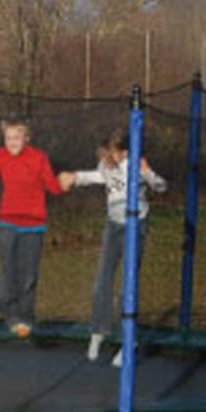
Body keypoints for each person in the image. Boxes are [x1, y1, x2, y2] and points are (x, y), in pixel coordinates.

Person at [70, 128, 168, 365]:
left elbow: (161, 186)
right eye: (110, 152)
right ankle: (98, 332)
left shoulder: (136, 165)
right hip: (113, 226)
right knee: (102, 279)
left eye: (115, 152)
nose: (111, 156)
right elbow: (94, 176)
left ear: (125, 151)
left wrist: (148, 173)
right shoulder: (106, 166)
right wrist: (73, 177)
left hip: (136, 225)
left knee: (128, 284)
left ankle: (128, 341)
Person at [0, 120, 73, 338]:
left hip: (34, 224)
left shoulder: (38, 158)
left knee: (28, 274)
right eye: (8, 138)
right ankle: (9, 313)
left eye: (16, 138)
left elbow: (51, 187)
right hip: (9, 222)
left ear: (26, 138)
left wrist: (63, 183)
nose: (12, 143)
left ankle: (25, 317)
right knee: (9, 270)